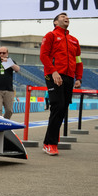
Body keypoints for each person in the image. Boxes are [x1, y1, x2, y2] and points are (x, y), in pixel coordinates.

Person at [39, 12, 83, 156]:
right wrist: (53, 72)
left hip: (69, 77)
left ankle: (47, 142)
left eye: (67, 17)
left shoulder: (74, 40)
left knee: (62, 108)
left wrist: (79, 78)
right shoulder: (50, 35)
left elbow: (78, 62)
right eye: (62, 17)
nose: (66, 18)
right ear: (55, 22)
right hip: (54, 74)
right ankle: (51, 144)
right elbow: (43, 55)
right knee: (57, 106)